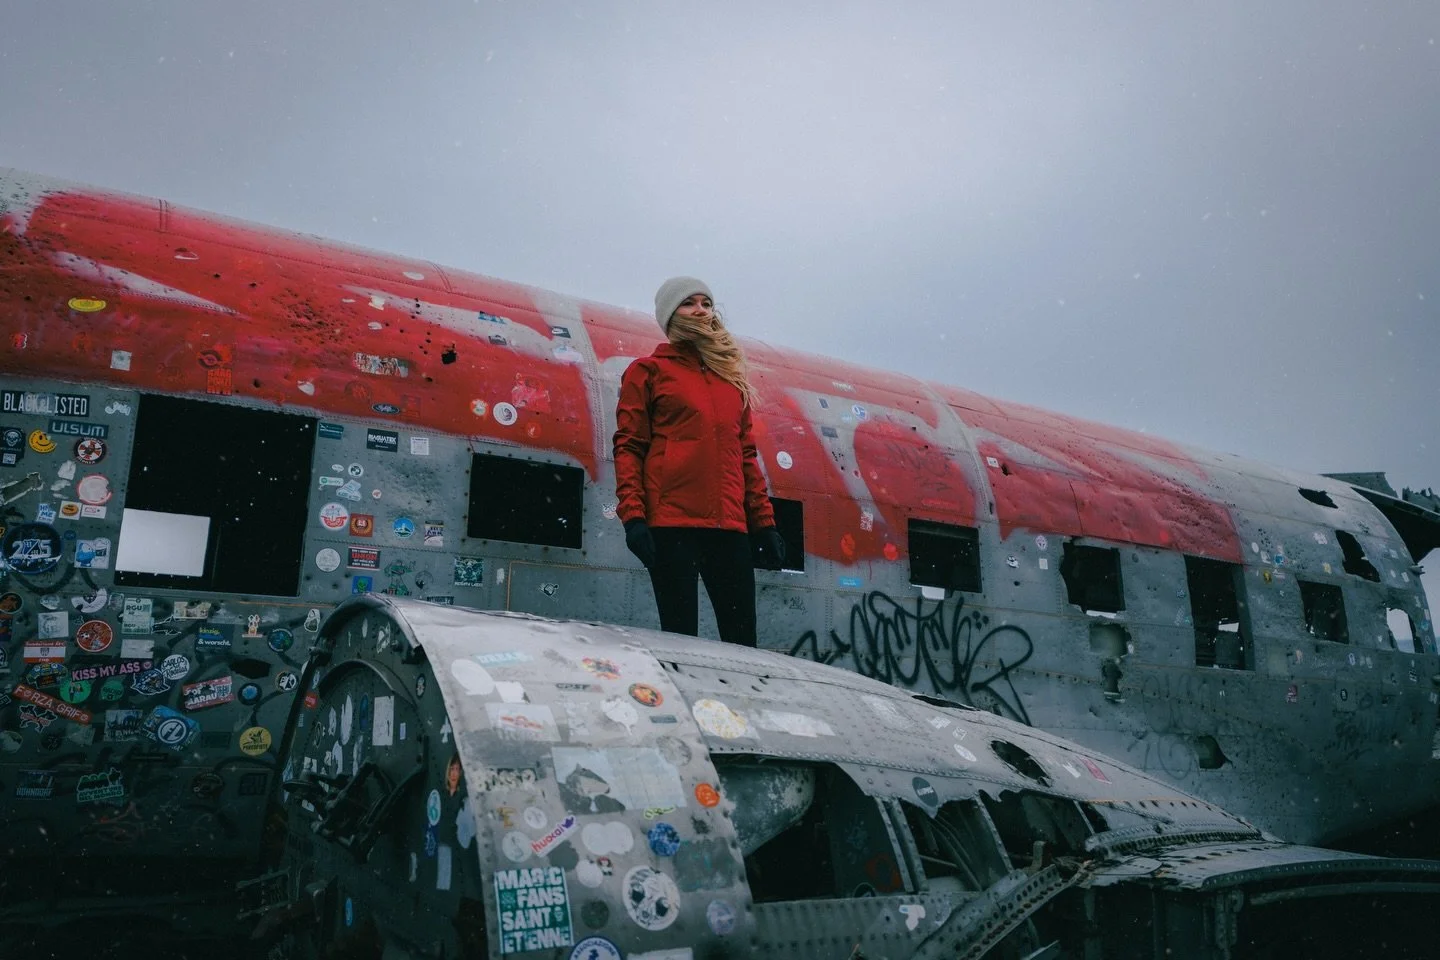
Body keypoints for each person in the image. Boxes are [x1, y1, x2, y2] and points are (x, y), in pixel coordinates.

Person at [613, 276, 786, 646]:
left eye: (706, 303)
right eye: (690, 303)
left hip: (729, 530)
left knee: (743, 642)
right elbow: (629, 446)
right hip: (672, 525)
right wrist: (634, 518)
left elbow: (746, 459)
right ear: (671, 314)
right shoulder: (648, 372)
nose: (701, 310)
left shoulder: (730, 382)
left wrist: (764, 524)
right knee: (681, 640)